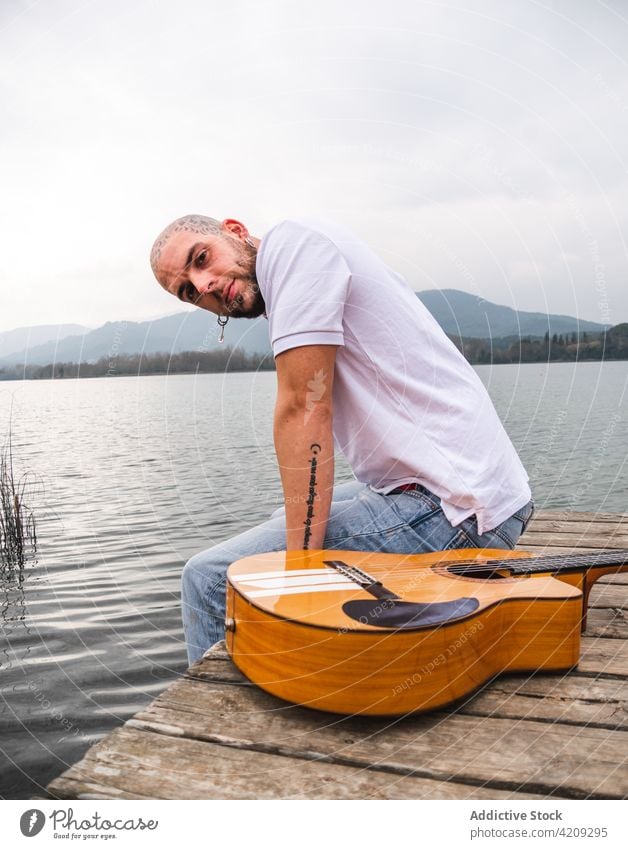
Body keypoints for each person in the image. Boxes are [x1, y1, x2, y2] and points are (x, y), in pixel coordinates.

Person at [150, 214, 534, 664]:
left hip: (456, 511)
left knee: (210, 579)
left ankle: (215, 719)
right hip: (480, 493)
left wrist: (298, 579)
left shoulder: (292, 250)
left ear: (233, 230)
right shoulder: (308, 252)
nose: (206, 285)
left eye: (201, 259)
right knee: (286, 518)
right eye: (189, 291)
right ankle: (313, 655)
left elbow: (304, 407)